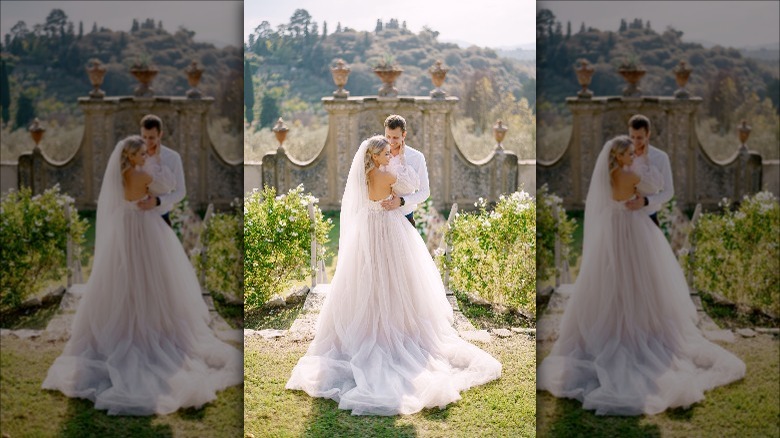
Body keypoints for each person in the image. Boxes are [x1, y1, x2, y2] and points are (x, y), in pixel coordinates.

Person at [286, 135, 501, 416]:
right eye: (386, 152)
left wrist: (393, 167)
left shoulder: (364, 176)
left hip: (367, 229)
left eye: (392, 150)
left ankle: (372, 326)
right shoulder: (389, 173)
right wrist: (400, 166)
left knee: (367, 278)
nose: (390, 154)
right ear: (375, 155)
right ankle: (395, 329)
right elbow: (412, 187)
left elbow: (363, 200)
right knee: (396, 278)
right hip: (388, 229)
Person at [537, 135, 745, 416]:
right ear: (620, 156)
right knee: (642, 280)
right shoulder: (633, 173)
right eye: (630, 153)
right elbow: (656, 186)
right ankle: (642, 329)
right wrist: (645, 166)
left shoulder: (608, 176)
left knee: (610, 281)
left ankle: (613, 329)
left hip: (611, 231)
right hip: (634, 230)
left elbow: (607, 201)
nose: (634, 156)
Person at [42, 135, 241, 416]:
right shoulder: (145, 173)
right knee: (154, 280)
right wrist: (157, 169)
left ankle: (123, 328)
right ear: (133, 156)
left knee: (122, 280)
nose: (145, 156)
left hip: (123, 230)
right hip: (147, 230)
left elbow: (118, 201)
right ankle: (153, 328)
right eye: (141, 154)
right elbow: (168, 186)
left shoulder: (120, 175)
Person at [380, 115, 430, 228]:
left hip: (405, 217)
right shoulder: (378, 154)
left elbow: (425, 192)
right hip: (380, 217)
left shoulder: (417, 157)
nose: (391, 142)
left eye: (395, 138)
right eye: (388, 136)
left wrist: (402, 201)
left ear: (404, 135)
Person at [136, 114, 185, 227]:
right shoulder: (135, 155)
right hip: (137, 217)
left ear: (160, 134)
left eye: (151, 138)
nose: (147, 142)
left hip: (162, 217)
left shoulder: (173, 157)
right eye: (144, 137)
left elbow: (181, 192)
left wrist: (158, 201)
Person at [624, 114, 673, 227]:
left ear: (648, 134)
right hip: (625, 217)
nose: (635, 142)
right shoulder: (623, 155)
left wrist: (646, 201)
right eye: (632, 137)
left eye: (639, 138)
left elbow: (668, 192)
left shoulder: (661, 157)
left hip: (649, 217)